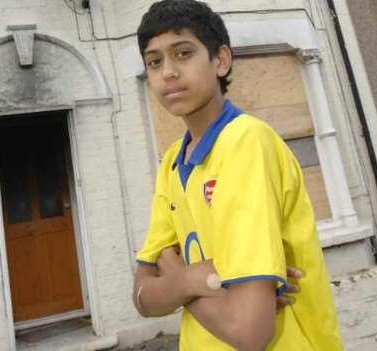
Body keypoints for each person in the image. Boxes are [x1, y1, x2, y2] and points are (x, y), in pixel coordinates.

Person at [133, 0, 343, 350]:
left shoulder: (245, 141)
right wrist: (200, 278)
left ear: (221, 60)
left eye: (183, 53)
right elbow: (141, 297)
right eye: (154, 61)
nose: (167, 72)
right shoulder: (172, 161)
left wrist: (175, 278)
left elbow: (249, 331)